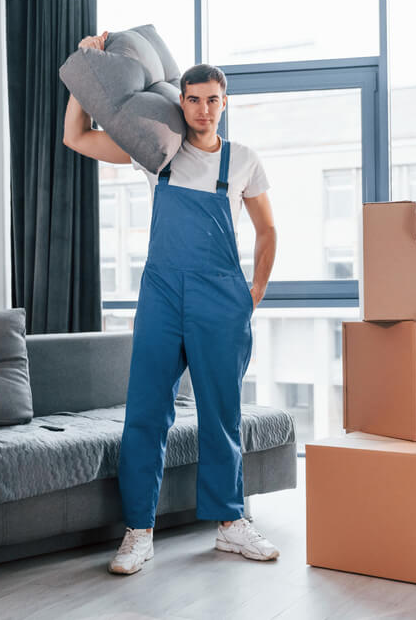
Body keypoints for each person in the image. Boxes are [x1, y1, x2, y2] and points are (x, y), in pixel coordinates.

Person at [63, 31, 279, 576]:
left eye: (212, 100)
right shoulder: (157, 150)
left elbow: (268, 231)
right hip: (161, 297)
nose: (203, 109)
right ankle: (138, 532)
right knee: (146, 413)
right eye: (193, 99)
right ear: (179, 102)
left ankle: (231, 524)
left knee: (221, 414)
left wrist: (253, 292)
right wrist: (85, 69)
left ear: (225, 103)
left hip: (220, 301)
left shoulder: (244, 161)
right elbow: (76, 137)